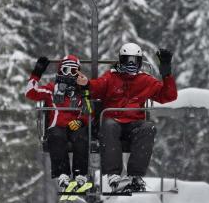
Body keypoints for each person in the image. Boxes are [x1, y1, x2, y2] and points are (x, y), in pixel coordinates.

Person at [76, 43, 178, 192]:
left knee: (147, 128)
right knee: (109, 125)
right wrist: (86, 84)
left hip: (133, 124)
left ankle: (134, 176)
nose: (131, 64)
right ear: (120, 60)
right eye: (127, 60)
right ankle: (114, 175)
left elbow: (168, 95)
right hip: (112, 121)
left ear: (140, 62)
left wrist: (166, 71)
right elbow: (96, 87)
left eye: (134, 61)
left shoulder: (145, 80)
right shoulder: (111, 77)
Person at [25, 54, 89, 191]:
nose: (69, 74)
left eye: (73, 71)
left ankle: (80, 174)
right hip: (57, 126)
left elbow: (89, 110)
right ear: (60, 71)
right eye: (66, 70)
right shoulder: (51, 90)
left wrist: (81, 121)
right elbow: (30, 92)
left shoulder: (81, 91)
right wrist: (37, 73)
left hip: (75, 124)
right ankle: (63, 174)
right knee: (56, 136)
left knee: (81, 137)